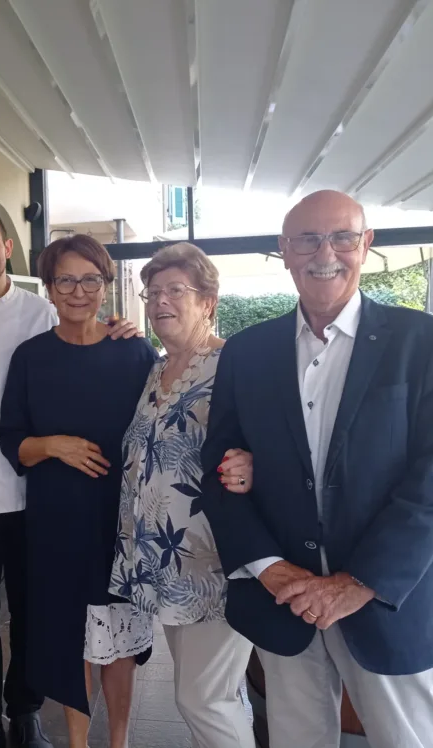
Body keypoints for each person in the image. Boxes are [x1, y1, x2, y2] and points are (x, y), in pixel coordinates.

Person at [204, 190, 433, 748]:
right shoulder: (248, 352)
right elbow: (220, 471)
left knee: (408, 742)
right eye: (306, 238)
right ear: (284, 250)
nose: (325, 252)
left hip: (385, 602)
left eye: (342, 237)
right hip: (285, 600)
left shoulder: (427, 343)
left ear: (365, 244)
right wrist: (270, 569)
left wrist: (355, 585)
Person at [0, 202, 139, 748]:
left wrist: (119, 327)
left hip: (36, 494)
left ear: (6, 247)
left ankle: (27, 708)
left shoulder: (40, 310)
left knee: (35, 615)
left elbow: (84, 337)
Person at [0, 235, 157, 748]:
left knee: (120, 636)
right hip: (57, 522)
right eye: (66, 279)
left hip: (122, 520)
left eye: (91, 279)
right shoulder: (30, 357)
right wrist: (53, 445)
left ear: (107, 287)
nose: (78, 290)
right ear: (49, 288)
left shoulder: (133, 350)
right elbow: (12, 442)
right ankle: (78, 742)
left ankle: (120, 741)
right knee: (71, 636)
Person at [109, 242, 256, 748]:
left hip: (214, 563)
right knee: (214, 692)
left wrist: (257, 464)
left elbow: (278, 439)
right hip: (164, 561)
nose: (159, 302)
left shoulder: (233, 365)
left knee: (202, 698)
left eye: (175, 290)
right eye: (152, 293)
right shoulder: (156, 367)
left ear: (208, 301)